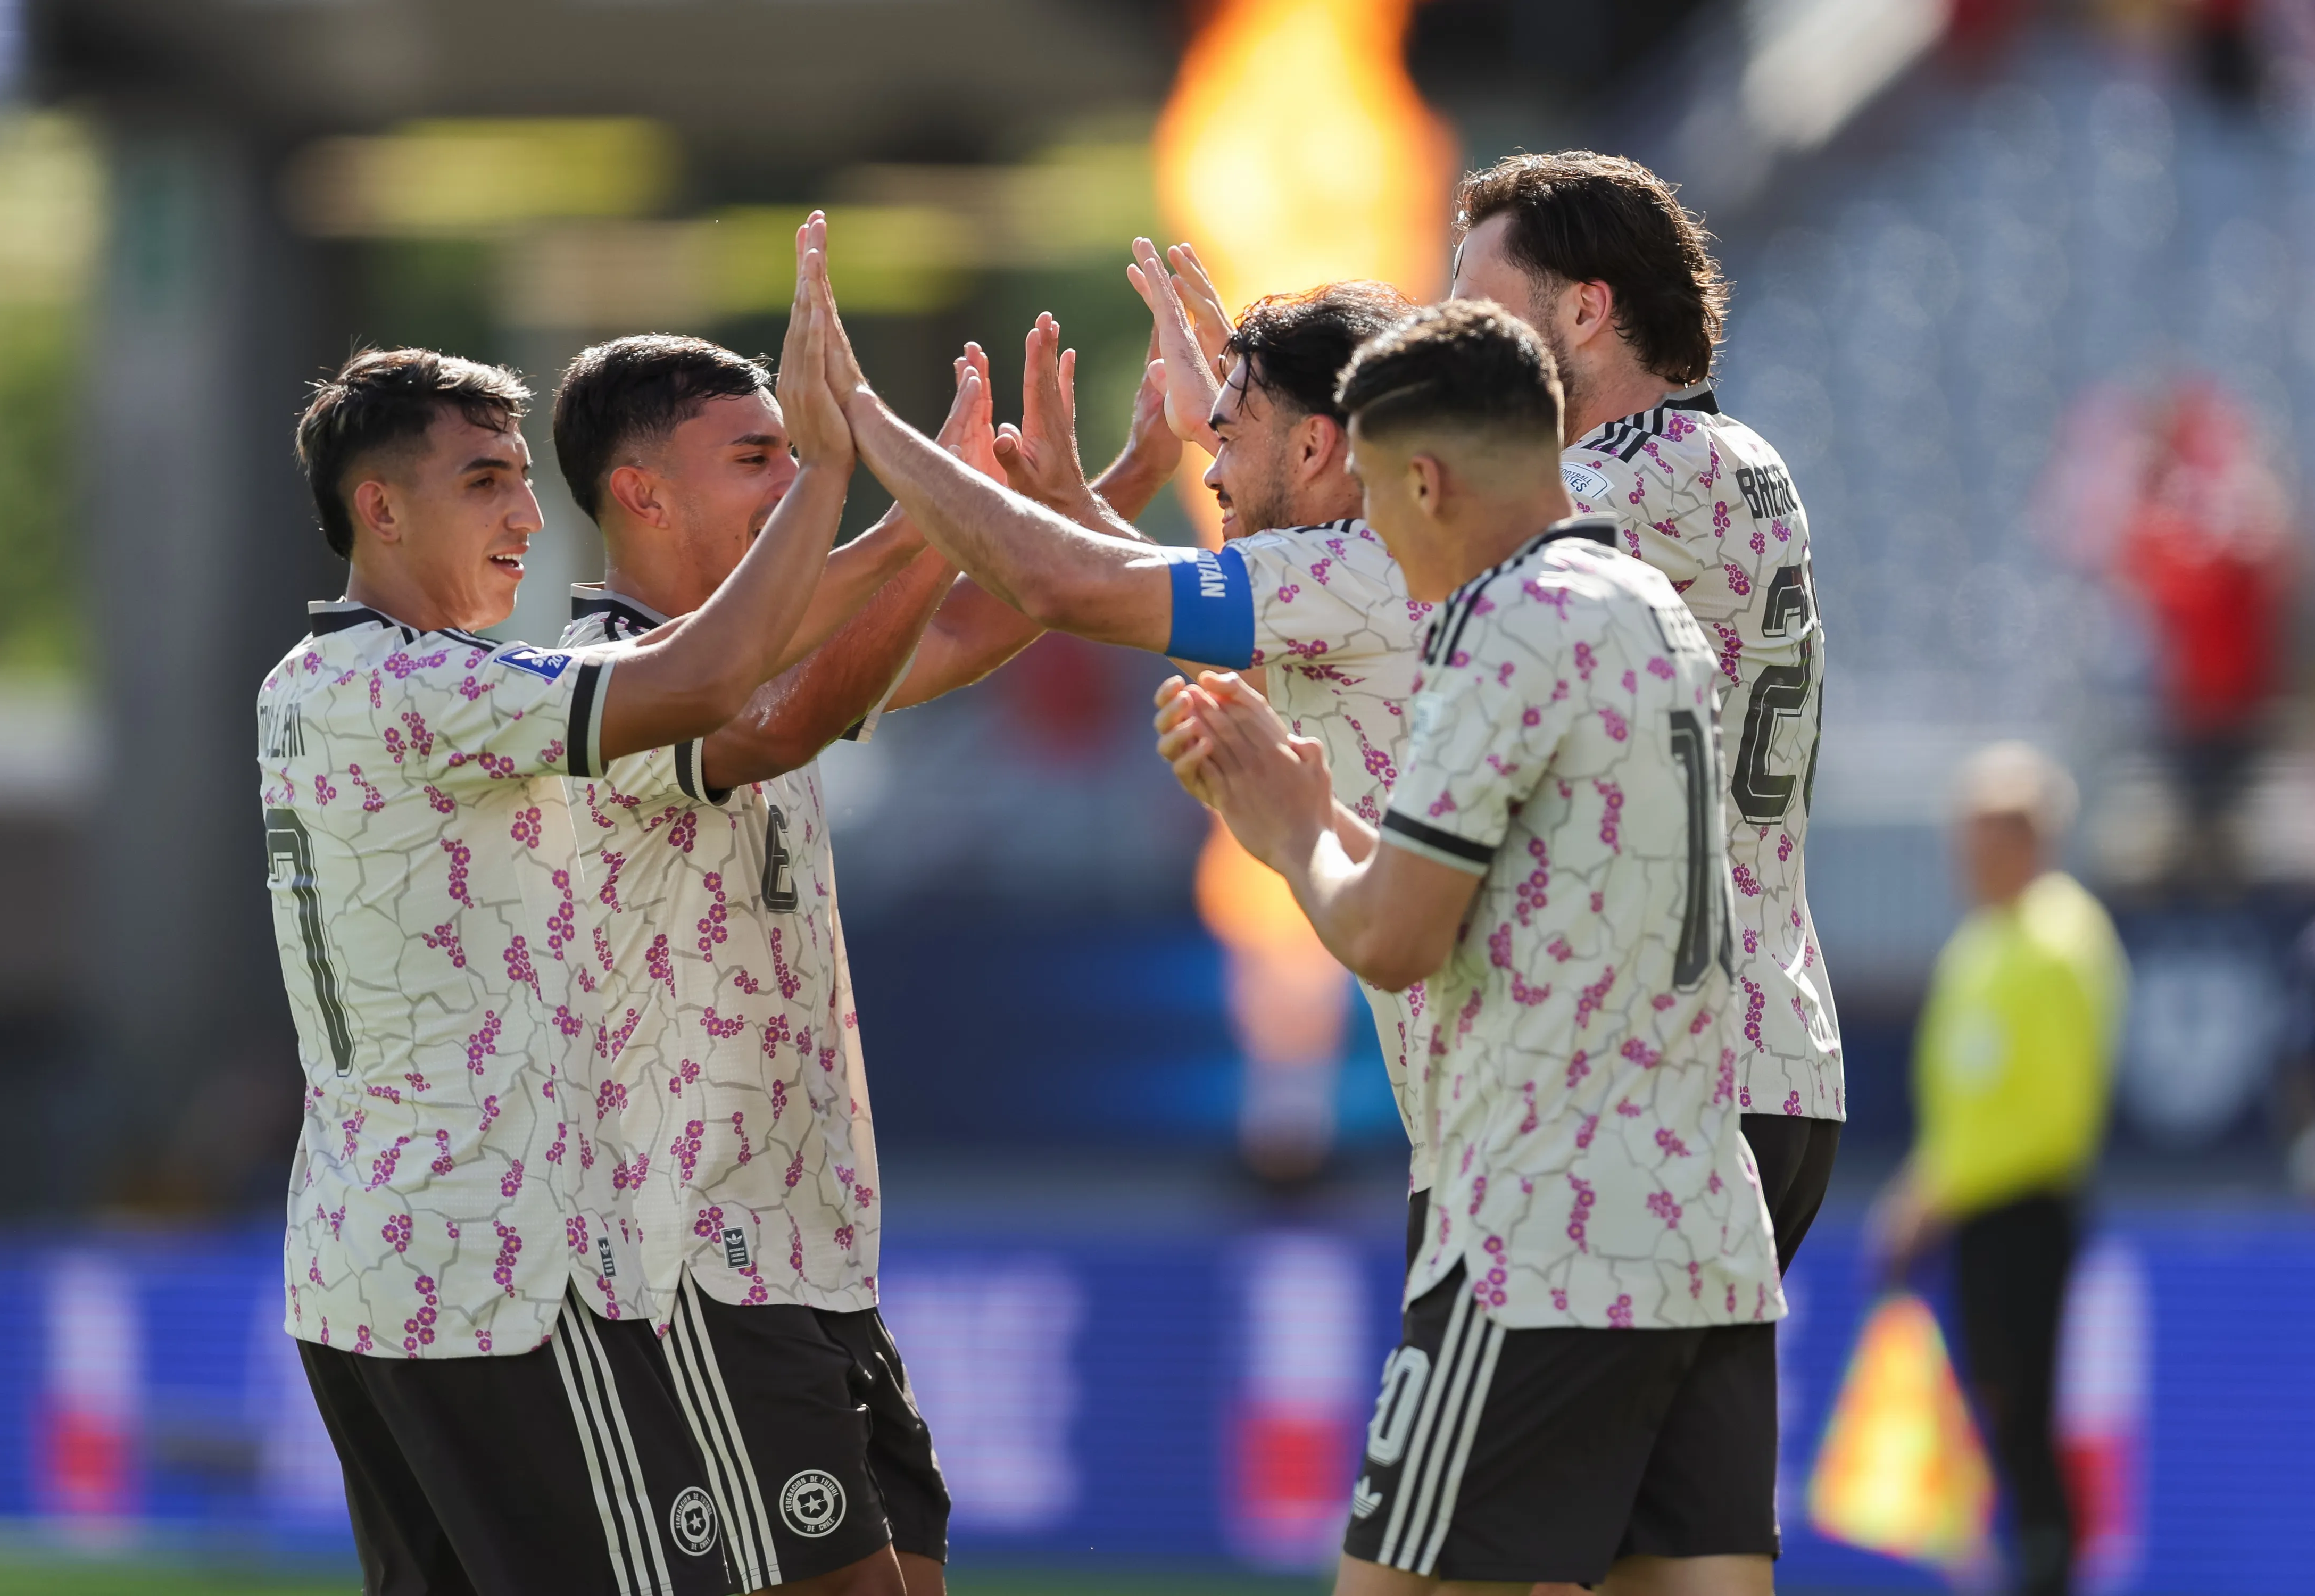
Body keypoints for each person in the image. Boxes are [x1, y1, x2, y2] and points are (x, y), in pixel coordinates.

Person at [260, 222, 846, 1596]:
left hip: (362, 1268)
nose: (528, 516)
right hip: (501, 1274)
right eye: (484, 483)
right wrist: (835, 469)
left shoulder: (307, 684)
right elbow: (710, 683)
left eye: (523, 480)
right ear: (379, 511)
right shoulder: (428, 691)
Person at [1164, 301, 1783, 1596]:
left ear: (1427, 480)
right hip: (1700, 1222)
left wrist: (1286, 834)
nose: (1374, 537)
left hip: (1540, 1234)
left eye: (1380, 495)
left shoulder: (1506, 625)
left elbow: (1390, 939)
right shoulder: (1645, 605)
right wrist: (1308, 800)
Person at [551, 327, 1063, 1596]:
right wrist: (933, 511)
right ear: (642, 492)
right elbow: (785, 722)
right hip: (696, 1263)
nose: (796, 485)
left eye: (800, 455)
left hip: (817, 1252)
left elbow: (955, 631)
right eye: (760, 457)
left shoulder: (773, 660)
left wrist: (1087, 495)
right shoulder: (596, 685)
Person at [792, 234, 1439, 1203]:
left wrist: (864, 420)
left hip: (1526, 1151)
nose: (1212, 475)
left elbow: (1064, 587)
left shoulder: (1346, 567)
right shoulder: (1372, 569)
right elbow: (1159, 607)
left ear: (1316, 447)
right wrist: (1076, 499)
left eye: (1231, 437)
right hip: (1498, 1124)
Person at [1448, 150, 1844, 1274]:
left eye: (1480, 315)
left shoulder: (1646, 469)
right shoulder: (1730, 457)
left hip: (1685, 1079)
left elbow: (1454, 549)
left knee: (1543, 1452)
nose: (1459, 348)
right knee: (1690, 1454)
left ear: (1585, 310)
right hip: (1770, 1045)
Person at [1871, 743, 2128, 1596]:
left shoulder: (2060, 942)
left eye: (1982, 831)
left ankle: (2049, 1574)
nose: (1964, 850)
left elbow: (2053, 1117)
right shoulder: (1985, 944)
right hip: (1980, 1214)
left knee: (2024, 1409)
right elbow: (1965, 1104)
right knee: (2000, 1405)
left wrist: (1936, 1192)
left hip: (2024, 1211)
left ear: (2025, 836)